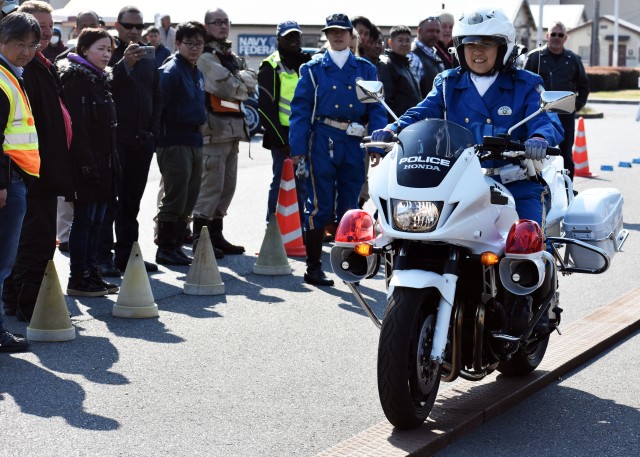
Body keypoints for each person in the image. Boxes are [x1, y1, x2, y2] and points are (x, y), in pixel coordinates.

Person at [371, 7, 564, 230]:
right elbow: (422, 111)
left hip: (514, 181)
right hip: (457, 180)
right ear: (460, 50)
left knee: (528, 239)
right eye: (470, 45)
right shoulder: (448, 83)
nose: (477, 52)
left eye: (486, 45)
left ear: (504, 48)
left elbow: (546, 118)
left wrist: (540, 137)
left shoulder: (526, 84)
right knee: (397, 227)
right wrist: (394, 127)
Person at [289, 13, 387, 287]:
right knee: (319, 205)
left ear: (351, 35)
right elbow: (300, 110)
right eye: (331, 31)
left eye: (342, 31)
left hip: (354, 142)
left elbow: (377, 109)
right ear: (326, 35)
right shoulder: (313, 69)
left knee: (349, 206)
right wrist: (298, 148)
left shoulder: (365, 69)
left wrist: (377, 142)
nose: (337, 36)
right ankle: (313, 267)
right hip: (322, 139)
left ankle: (350, 265)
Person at [2, 0, 73, 322]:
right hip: (22, 177)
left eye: (45, 29)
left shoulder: (38, 66)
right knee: (26, 248)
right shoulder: (16, 73)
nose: (39, 39)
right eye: (24, 41)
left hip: (37, 173)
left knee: (31, 245)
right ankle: (25, 306)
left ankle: (19, 305)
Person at [97, 5, 161, 275]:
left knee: (131, 203)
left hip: (141, 140)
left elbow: (156, 96)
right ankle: (102, 258)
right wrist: (125, 64)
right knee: (108, 202)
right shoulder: (106, 51)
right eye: (129, 25)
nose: (134, 31)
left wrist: (153, 133)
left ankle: (127, 256)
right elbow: (104, 86)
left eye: (139, 26)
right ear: (118, 25)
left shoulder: (148, 55)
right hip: (115, 140)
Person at [57, 27, 119, 296]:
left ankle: (93, 273)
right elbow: (77, 128)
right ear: (83, 50)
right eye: (100, 49)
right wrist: (87, 164)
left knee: (98, 220)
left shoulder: (99, 78)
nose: (106, 55)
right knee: (84, 221)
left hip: (104, 163)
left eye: (109, 50)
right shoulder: (74, 78)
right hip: (86, 164)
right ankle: (79, 278)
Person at [191, 8, 257, 257]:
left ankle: (216, 236)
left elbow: (251, 79)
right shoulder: (206, 57)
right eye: (216, 22)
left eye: (226, 22)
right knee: (210, 188)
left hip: (233, 132)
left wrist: (239, 80)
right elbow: (229, 87)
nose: (223, 26)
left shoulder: (229, 55)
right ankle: (200, 239)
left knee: (226, 188)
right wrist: (240, 81)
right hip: (213, 131)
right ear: (206, 26)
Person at [0, 11, 41, 352]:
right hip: (7, 180)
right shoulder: (2, 78)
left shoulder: (13, 74)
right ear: (3, 42)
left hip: (15, 179)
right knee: (2, 262)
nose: (26, 51)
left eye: (32, 44)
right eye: (19, 43)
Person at [155, 21, 207, 265]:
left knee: (190, 196)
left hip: (194, 138)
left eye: (199, 43)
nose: (194, 48)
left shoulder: (196, 70)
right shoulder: (171, 70)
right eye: (189, 43)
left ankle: (176, 243)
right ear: (177, 44)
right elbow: (158, 108)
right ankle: (165, 247)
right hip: (174, 139)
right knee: (175, 196)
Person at [258, 20, 310, 226]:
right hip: (283, 137)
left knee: (303, 184)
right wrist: (281, 141)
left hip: (306, 133)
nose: (293, 40)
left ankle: (297, 229)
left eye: (296, 36)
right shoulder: (270, 65)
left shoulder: (308, 62)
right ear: (278, 39)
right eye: (288, 36)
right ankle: (274, 229)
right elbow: (265, 109)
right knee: (281, 183)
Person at [524, 21, 589, 180]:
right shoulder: (535, 57)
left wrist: (574, 106)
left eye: (560, 35)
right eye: (553, 34)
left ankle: (568, 190)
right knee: (534, 155)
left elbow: (584, 86)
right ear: (547, 35)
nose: (556, 38)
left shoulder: (573, 59)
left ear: (565, 38)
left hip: (565, 115)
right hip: (539, 115)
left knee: (565, 155)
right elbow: (522, 86)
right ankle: (538, 188)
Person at [376, 25, 422, 122]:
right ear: (390, 42)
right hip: (399, 126)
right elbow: (386, 101)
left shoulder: (409, 65)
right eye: (400, 40)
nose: (404, 44)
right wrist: (396, 125)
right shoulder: (386, 65)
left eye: (408, 40)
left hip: (413, 123)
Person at [409, 16, 444, 97]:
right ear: (420, 31)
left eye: (438, 31)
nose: (435, 34)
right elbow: (412, 94)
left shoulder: (435, 55)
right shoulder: (413, 56)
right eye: (431, 31)